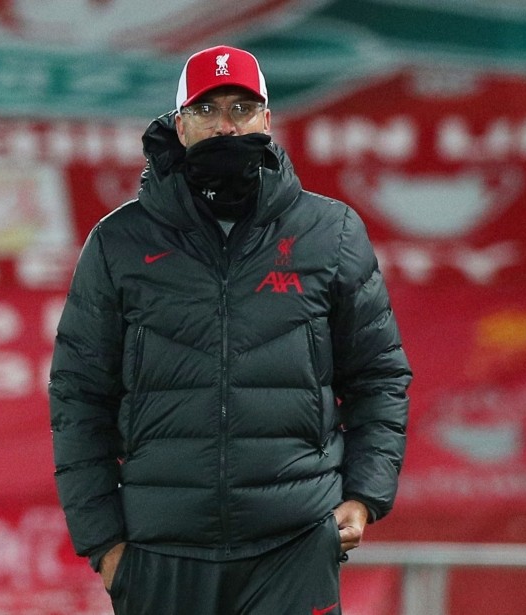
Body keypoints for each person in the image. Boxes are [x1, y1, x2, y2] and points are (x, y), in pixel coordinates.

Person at [49, 45, 411, 615]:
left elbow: (379, 376)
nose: (226, 126)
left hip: (293, 547)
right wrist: (105, 544)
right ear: (179, 125)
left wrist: (365, 495)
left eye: (241, 109)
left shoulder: (331, 232)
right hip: (162, 555)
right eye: (207, 110)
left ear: (267, 120)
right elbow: (78, 398)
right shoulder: (119, 242)